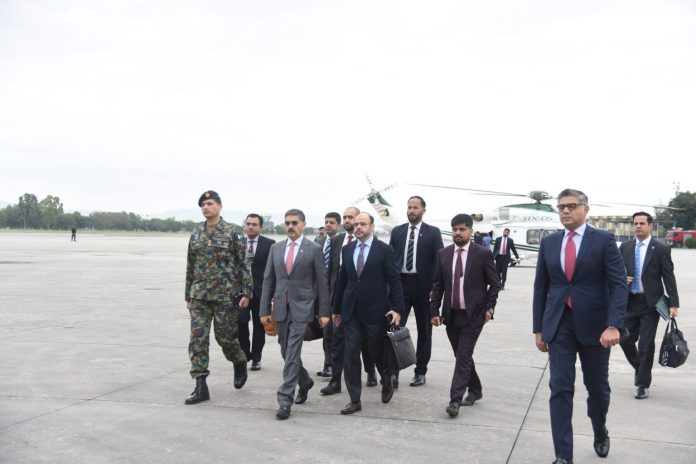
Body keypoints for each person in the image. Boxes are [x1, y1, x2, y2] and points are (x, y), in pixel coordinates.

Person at [533, 188, 627, 464]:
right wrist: (539, 328)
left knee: (597, 389)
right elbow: (541, 287)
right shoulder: (549, 243)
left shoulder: (604, 240)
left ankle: (599, 429)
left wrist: (614, 325)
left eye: (571, 206)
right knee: (560, 388)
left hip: (596, 328)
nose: (565, 211)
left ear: (586, 209)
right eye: (561, 206)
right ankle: (563, 456)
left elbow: (618, 285)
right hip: (559, 324)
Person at [259, 209, 330, 420]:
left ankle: (284, 400)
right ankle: (305, 381)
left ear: (303, 224)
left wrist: (324, 312)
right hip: (281, 307)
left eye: (295, 222)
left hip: (303, 308)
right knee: (285, 351)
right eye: (287, 223)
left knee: (291, 352)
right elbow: (268, 280)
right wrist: (264, 310)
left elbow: (322, 283)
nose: (290, 226)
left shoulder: (314, 249)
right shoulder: (276, 248)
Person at [184, 190, 253, 405]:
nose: (206, 207)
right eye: (203, 204)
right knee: (197, 339)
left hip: (225, 295)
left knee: (225, 338)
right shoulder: (196, 233)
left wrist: (247, 292)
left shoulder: (233, 232)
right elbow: (190, 265)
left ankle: (239, 360)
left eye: (210, 203)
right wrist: (188, 294)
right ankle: (200, 385)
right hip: (199, 296)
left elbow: (243, 264)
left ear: (220, 206)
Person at [333, 213, 404, 414]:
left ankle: (387, 380)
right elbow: (342, 281)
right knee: (351, 354)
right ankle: (355, 399)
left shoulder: (384, 250)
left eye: (362, 224)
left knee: (376, 352)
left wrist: (397, 308)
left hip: (376, 311)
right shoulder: (347, 250)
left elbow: (394, 280)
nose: (358, 227)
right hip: (351, 311)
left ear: (372, 227)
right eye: (356, 224)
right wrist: (336, 310)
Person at [430, 214, 500, 418]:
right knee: (462, 355)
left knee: (462, 356)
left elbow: (495, 284)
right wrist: (434, 311)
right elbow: (438, 285)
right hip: (451, 315)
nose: (458, 233)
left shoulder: (482, 254)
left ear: (470, 231)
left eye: (462, 229)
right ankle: (475, 389)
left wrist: (489, 308)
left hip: (474, 316)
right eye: (455, 230)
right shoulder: (443, 254)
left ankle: (455, 400)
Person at [619, 211, 680, 399]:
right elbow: (616, 272)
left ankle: (642, 384)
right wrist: (622, 278)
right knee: (624, 340)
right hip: (629, 302)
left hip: (650, 304)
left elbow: (668, 277)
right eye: (635, 223)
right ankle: (641, 368)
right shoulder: (625, 247)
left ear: (650, 226)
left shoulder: (660, 249)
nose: (638, 226)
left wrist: (674, 303)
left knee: (646, 345)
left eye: (642, 223)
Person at [321, 206, 378, 395]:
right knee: (337, 341)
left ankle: (370, 371)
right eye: (345, 217)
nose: (347, 221)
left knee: (366, 341)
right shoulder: (336, 241)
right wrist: (329, 298)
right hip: (340, 299)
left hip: (363, 302)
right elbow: (331, 272)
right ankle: (335, 381)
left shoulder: (373, 243)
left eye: (351, 217)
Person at [389, 195, 444, 387]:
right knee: (394, 328)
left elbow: (439, 262)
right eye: (409, 207)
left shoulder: (433, 233)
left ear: (423, 210)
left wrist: (435, 289)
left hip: (423, 289)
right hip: (400, 287)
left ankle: (420, 371)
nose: (411, 210)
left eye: (415, 208)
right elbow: (390, 260)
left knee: (425, 331)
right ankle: (393, 372)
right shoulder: (397, 232)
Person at [238, 213, 275, 371]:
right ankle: (246, 353)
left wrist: (272, 293)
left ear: (261, 227)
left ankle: (256, 358)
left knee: (259, 326)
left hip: (261, 291)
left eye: (254, 224)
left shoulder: (269, 244)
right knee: (240, 322)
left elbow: (273, 270)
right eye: (248, 224)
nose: (250, 227)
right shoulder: (238, 242)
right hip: (240, 292)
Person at [315, 212, 341, 378]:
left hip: (336, 292)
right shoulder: (320, 242)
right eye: (326, 222)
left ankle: (334, 365)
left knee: (334, 331)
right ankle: (328, 364)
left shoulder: (342, 242)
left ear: (338, 225)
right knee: (326, 331)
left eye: (331, 222)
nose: (328, 225)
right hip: (320, 291)